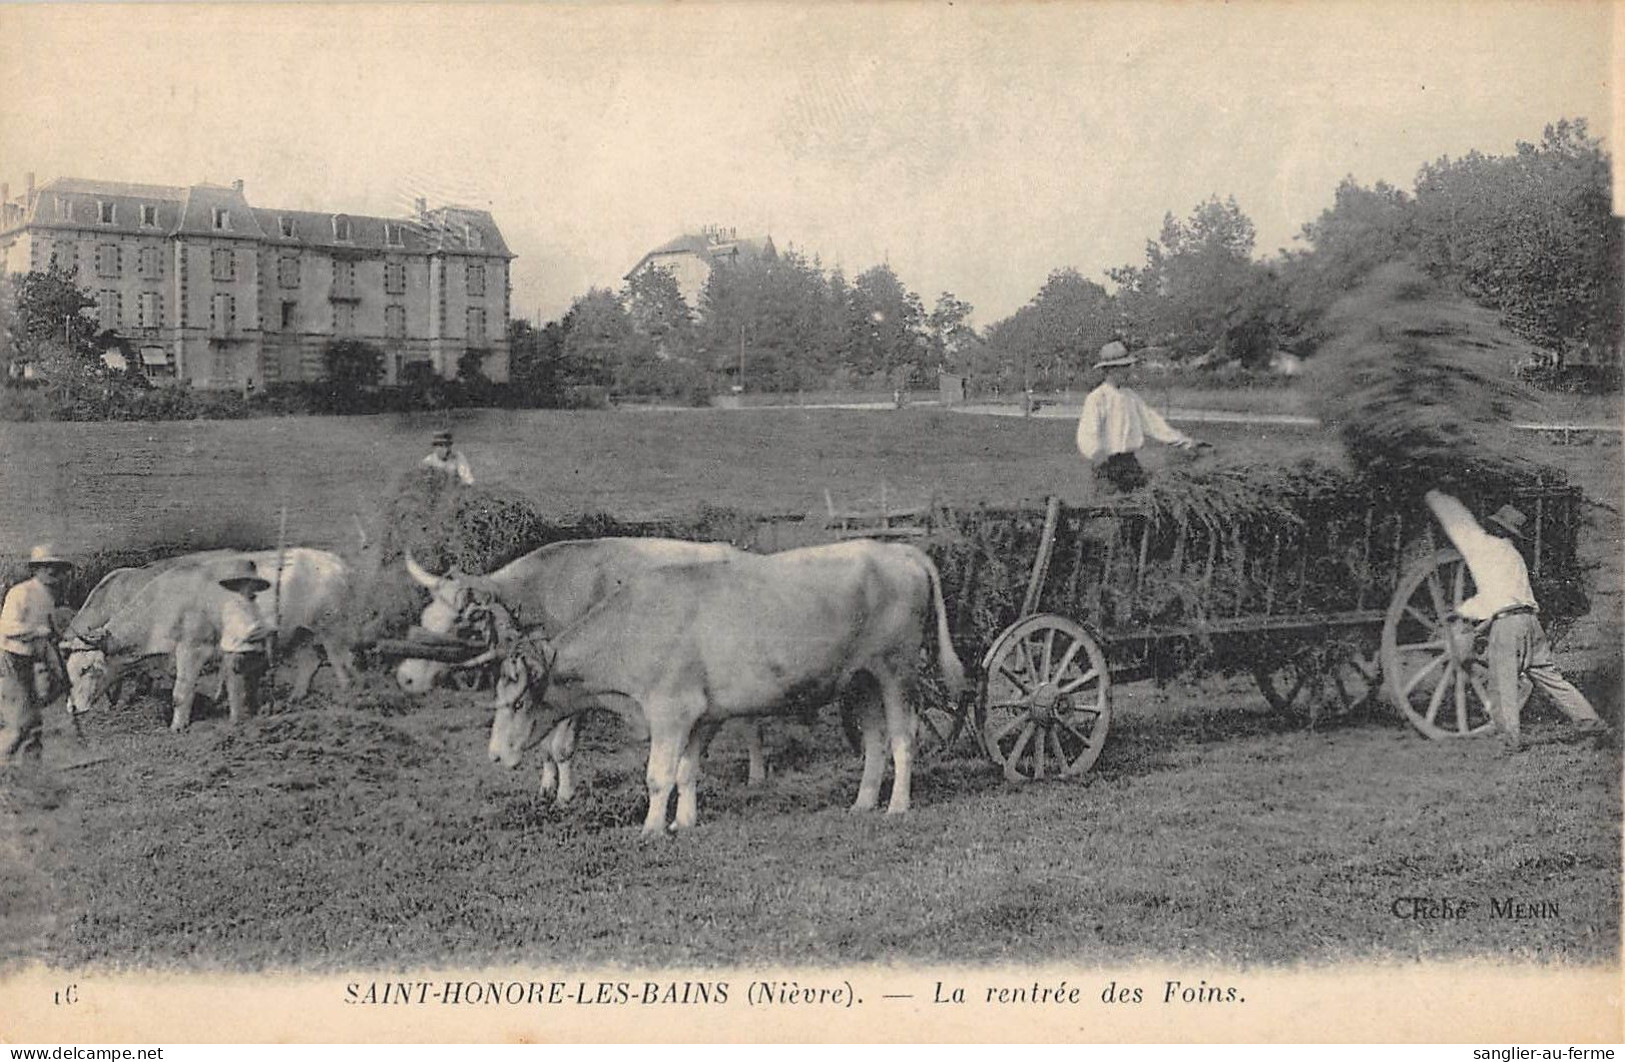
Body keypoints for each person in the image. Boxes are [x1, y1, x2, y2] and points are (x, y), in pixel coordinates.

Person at [1424, 489, 1610, 751]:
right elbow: (1504, 595)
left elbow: (1464, 532)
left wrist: (1462, 612)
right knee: (1551, 678)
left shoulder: (1490, 549)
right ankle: (1591, 723)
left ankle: (1510, 740)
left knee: (1503, 685)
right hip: (1531, 622)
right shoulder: (1516, 557)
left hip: (1509, 624)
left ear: (1497, 529)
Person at [1075, 341, 1204, 493]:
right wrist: (1096, 453)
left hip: (1130, 463)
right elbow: (1087, 432)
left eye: (1127, 367)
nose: (1127, 372)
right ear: (1109, 370)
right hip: (1106, 464)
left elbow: (1153, 423)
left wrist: (1185, 442)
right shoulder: (1097, 398)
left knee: (1142, 503)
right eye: (1123, 368)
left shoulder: (1130, 397)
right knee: (1110, 508)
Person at [0, 545, 72, 765]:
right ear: (36, 569)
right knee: (20, 720)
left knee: (35, 718)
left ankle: (32, 767)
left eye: (56, 567)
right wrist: (35, 631)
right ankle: (4, 764)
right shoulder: (20, 592)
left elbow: (49, 632)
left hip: (33, 661)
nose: (52, 571)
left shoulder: (48, 597)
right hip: (12, 659)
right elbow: (6, 628)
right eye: (46, 566)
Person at [217, 558, 276, 724]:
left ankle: (252, 737)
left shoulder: (255, 607)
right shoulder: (233, 606)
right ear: (239, 585)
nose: (250, 587)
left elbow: (263, 632)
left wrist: (269, 631)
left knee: (253, 702)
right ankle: (236, 739)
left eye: (252, 583)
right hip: (238, 658)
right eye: (246, 582)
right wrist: (270, 629)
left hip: (254, 658)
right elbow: (247, 633)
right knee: (240, 705)